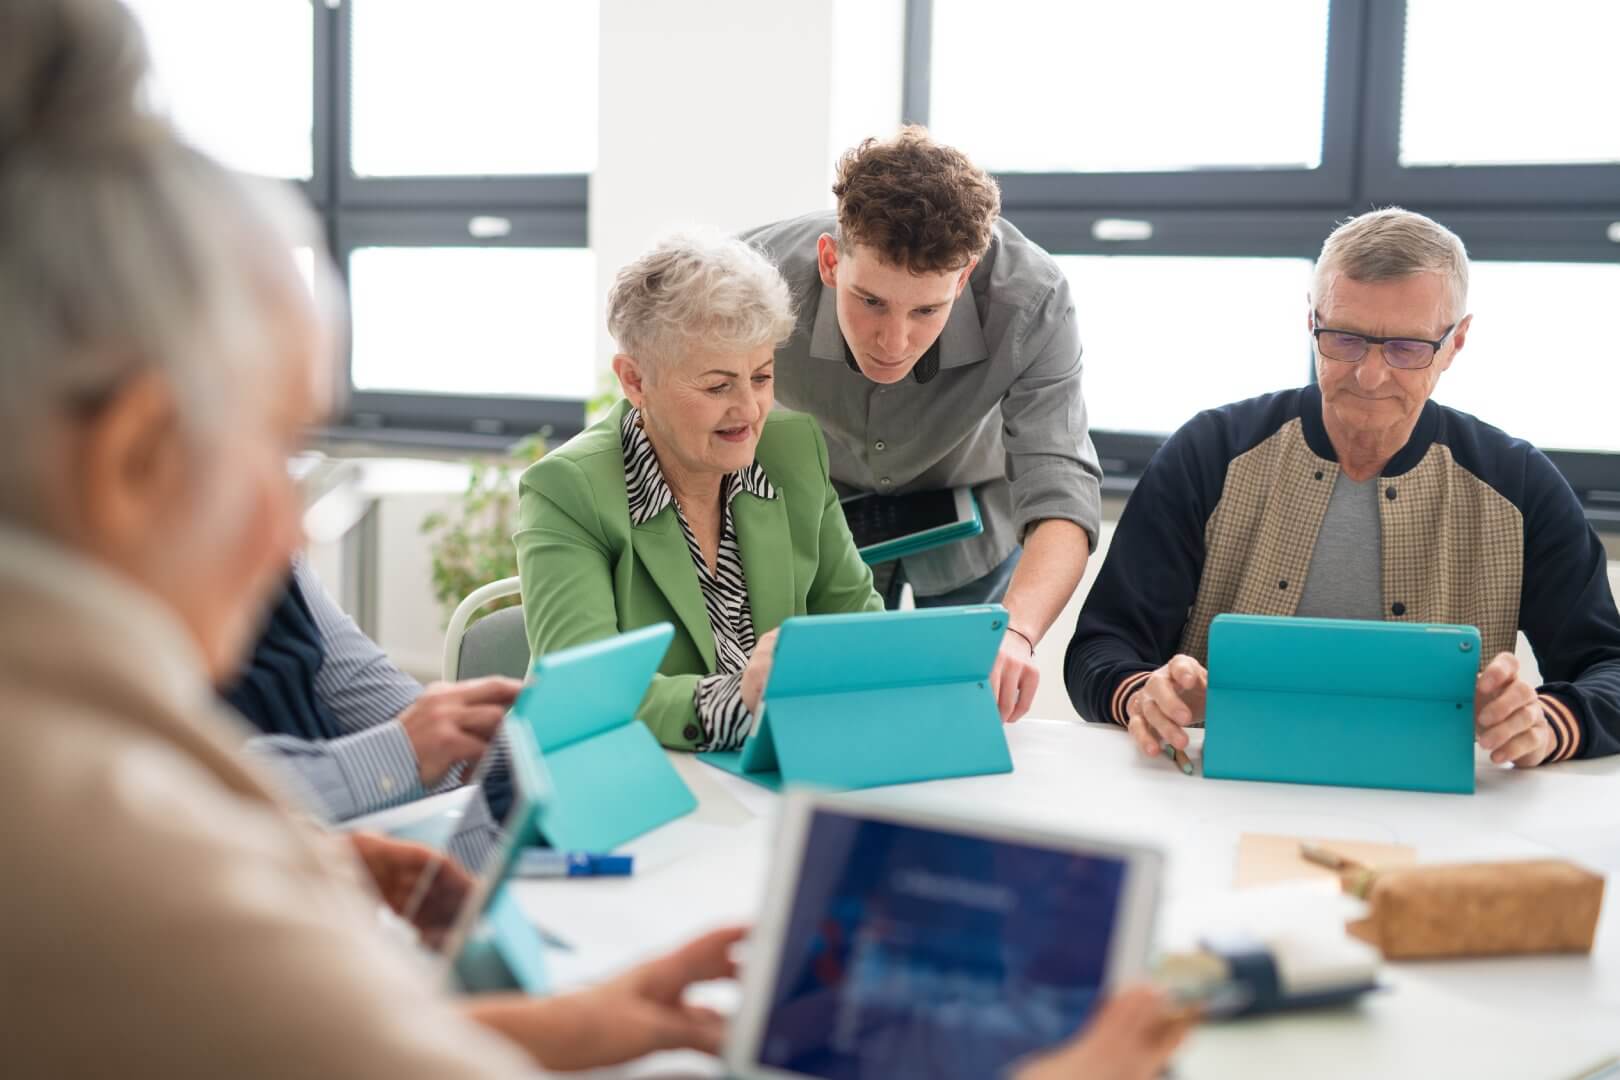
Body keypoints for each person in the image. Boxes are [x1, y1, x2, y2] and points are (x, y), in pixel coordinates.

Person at [0, 4, 1190, 1074]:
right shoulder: (114, 841)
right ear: (132, 455)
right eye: (273, 444)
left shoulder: (122, 779)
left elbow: (985, 535)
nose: (287, 521)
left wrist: (560, 1018)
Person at [1066, 208, 1620, 766]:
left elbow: (1610, 668)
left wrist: (1550, 723)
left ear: (1456, 343)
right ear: (1312, 323)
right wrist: (1141, 695)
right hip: (1219, 781)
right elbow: (1100, 648)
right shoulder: (1209, 453)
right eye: (1345, 339)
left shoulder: (1518, 485)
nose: (1369, 375)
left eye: (1406, 348)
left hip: (1439, 798)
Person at [742, 127, 1104, 723]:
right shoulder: (753, 278)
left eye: (927, 310)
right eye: (871, 301)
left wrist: (1014, 637)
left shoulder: (1033, 299)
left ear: (962, 279)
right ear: (831, 261)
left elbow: (1061, 486)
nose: (893, 341)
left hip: (973, 527)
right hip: (825, 522)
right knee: (823, 711)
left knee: (961, 712)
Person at [515, 232, 885, 752]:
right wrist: (739, 700)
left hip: (775, 771)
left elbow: (861, 631)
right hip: (641, 777)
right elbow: (585, 690)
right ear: (636, 380)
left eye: (761, 377)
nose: (750, 409)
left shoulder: (794, 452)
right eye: (717, 386)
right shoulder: (569, 489)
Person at [224, 554, 521, 822]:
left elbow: (363, 685)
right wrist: (403, 751)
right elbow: (202, 796)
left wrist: (527, 755)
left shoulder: (281, 573)